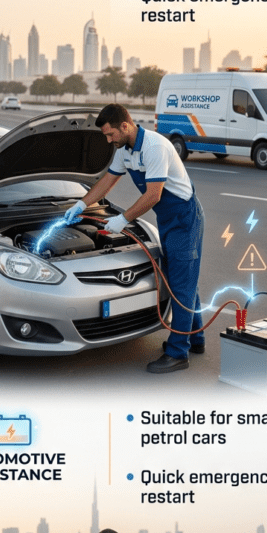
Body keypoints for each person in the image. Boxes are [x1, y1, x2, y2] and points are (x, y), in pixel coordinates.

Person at [64, 104, 204, 373]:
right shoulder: (124, 150)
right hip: (168, 218)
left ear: (125, 126)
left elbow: (153, 195)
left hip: (184, 218)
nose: (108, 140)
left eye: (110, 134)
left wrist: (123, 219)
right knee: (183, 277)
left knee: (181, 283)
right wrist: (82, 204)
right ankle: (196, 339)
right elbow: (107, 181)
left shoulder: (154, 147)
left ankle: (178, 353)